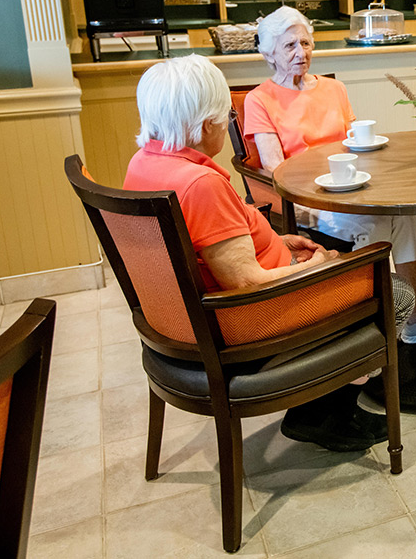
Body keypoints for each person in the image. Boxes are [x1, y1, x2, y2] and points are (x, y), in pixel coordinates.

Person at [123, 54, 387, 453]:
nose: (228, 120)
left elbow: (206, 249)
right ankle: (324, 410)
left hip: (178, 322)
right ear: (206, 123)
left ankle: (326, 396)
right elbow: (246, 282)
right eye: (225, 113)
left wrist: (275, 242)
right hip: (247, 322)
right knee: (392, 290)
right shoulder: (199, 184)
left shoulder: (145, 165)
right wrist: (314, 268)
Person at [242, 6, 416, 345]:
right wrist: (322, 192)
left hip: (351, 189)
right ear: (268, 53)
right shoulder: (260, 100)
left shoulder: (333, 89)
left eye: (305, 43)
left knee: (404, 216)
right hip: (307, 201)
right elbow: (275, 169)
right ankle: (368, 331)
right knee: (376, 224)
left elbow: (354, 144)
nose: (300, 53)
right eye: (289, 46)